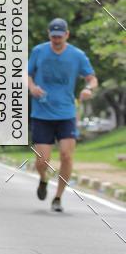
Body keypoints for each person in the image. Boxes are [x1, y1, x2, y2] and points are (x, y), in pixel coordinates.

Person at [28, 18, 98, 212]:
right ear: (49, 35)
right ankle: (43, 179)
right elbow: (26, 74)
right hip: (42, 112)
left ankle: (58, 197)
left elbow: (92, 78)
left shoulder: (77, 55)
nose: (56, 40)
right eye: (53, 36)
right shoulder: (39, 51)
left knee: (66, 156)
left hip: (66, 112)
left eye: (60, 36)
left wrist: (88, 89)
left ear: (67, 35)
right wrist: (32, 87)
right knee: (43, 161)